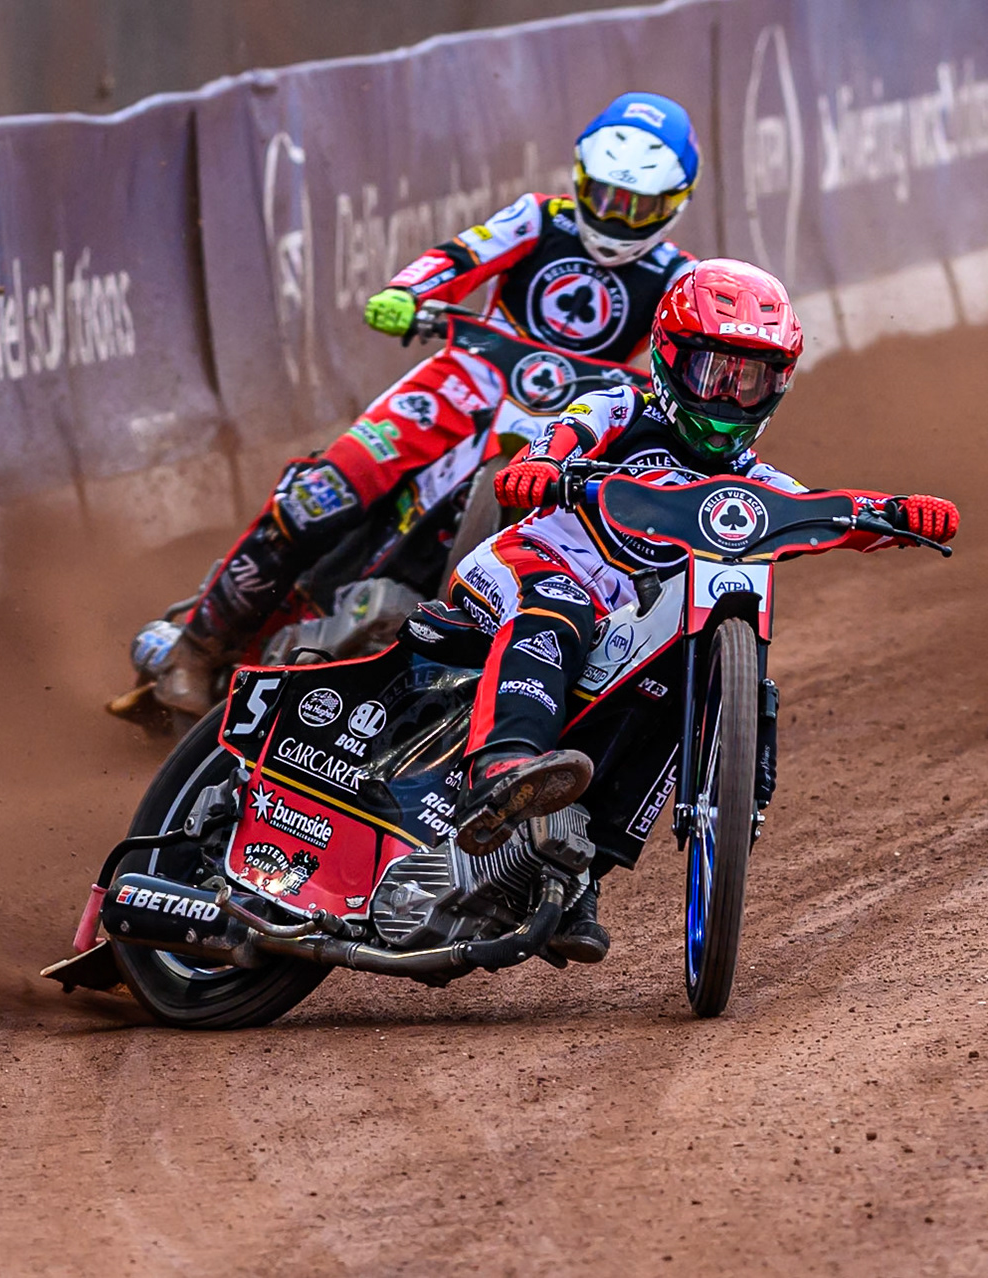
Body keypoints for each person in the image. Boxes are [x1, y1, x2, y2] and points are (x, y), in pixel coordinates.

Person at [443, 258, 959, 961]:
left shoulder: (755, 483)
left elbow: (821, 516)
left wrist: (898, 515)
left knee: (682, 676)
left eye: (750, 378)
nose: (730, 394)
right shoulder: (619, 406)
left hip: (622, 626)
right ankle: (502, 765)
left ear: (778, 384)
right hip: (533, 565)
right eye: (714, 370)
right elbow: (561, 436)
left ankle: (575, 872)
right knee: (557, 607)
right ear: (667, 357)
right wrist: (543, 466)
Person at [153, 91, 706, 715]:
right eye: (605, 196)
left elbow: (684, 351)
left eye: (637, 206)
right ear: (580, 179)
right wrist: (408, 292)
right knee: (324, 493)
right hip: (460, 385)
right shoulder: (538, 219)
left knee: (599, 549)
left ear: (674, 203)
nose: (615, 216)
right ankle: (196, 647)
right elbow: (461, 256)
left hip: (570, 426)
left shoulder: (677, 276)